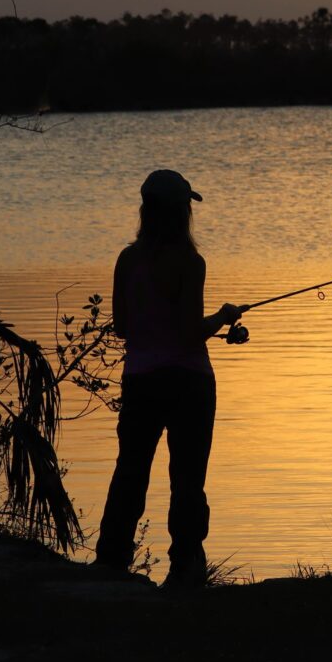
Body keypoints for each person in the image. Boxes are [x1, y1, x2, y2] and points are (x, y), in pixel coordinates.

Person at [93, 169, 242, 588]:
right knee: (188, 477)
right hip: (190, 382)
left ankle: (111, 560)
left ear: (145, 210)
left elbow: (122, 326)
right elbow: (189, 332)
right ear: (182, 213)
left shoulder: (128, 260)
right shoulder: (191, 263)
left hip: (141, 380)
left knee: (131, 469)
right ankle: (185, 567)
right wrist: (225, 316)